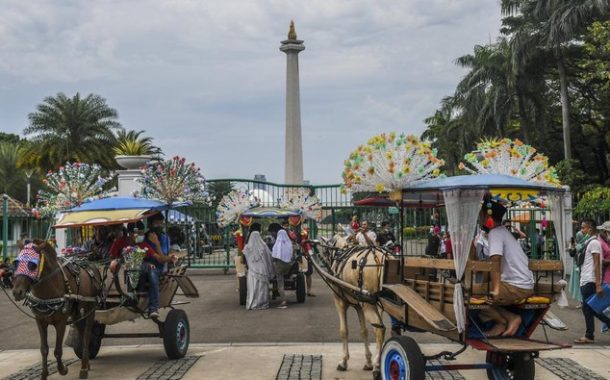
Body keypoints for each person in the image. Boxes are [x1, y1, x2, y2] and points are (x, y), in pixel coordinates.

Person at [480, 200, 534, 337]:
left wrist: (496, 289)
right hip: (520, 285)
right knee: (480, 289)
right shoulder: (503, 232)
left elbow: (495, 260)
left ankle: (504, 321)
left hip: (516, 287)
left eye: (481, 215)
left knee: (471, 295)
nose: (480, 219)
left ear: (487, 217)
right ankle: (507, 319)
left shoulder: (496, 233)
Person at [574, 220, 610, 344]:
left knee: (589, 308)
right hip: (586, 279)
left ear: (590, 229)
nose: (581, 230)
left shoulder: (594, 243)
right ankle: (590, 335)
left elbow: (597, 263)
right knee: (590, 308)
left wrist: (598, 284)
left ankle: (589, 335)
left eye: (583, 228)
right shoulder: (590, 241)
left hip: (590, 280)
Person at [243, 230, 275, 310]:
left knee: (252, 289)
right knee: (262, 289)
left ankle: (252, 304)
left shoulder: (247, 247)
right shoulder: (263, 245)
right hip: (262, 271)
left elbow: (245, 259)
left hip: (252, 272)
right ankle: (262, 303)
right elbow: (269, 257)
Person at [272, 229, 294, 308]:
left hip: (280, 268)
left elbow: (274, 257)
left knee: (280, 283)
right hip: (289, 267)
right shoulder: (289, 243)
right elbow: (292, 256)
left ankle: (283, 301)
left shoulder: (277, 244)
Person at [569, 221, 588, 305]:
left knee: (581, 283)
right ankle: (582, 301)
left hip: (581, 263)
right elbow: (573, 252)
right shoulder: (578, 237)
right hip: (578, 263)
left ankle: (583, 300)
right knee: (580, 282)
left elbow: (573, 252)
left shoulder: (587, 239)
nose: (582, 229)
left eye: (583, 227)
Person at [597, 221, 610, 334]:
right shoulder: (600, 243)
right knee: (606, 305)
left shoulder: (607, 242)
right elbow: (600, 261)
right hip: (607, 276)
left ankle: (606, 325)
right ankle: (606, 324)